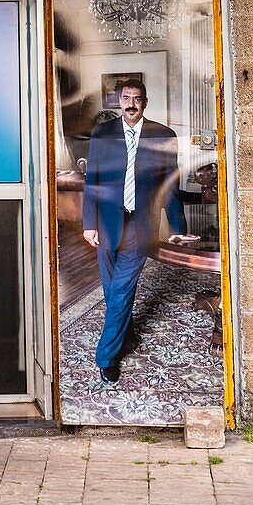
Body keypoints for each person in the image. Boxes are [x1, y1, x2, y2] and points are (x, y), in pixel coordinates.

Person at [83, 79, 199, 385]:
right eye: (126, 98)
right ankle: (127, 332)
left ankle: (106, 357)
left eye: (137, 99)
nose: (131, 104)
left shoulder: (163, 135)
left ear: (145, 102)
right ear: (118, 102)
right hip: (106, 224)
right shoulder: (102, 135)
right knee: (112, 293)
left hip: (141, 224)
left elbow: (169, 187)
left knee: (120, 291)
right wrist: (88, 223)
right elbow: (92, 181)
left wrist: (177, 228)